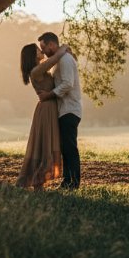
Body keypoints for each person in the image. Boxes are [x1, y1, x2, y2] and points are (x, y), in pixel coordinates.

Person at [15, 41, 72, 189]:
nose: (41, 51)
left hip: (49, 107)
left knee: (45, 142)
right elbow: (54, 59)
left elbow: (54, 61)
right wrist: (64, 47)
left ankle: (38, 182)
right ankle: (36, 181)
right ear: (33, 55)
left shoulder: (39, 69)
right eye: (38, 50)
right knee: (44, 143)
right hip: (46, 109)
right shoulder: (36, 71)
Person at [36, 31, 82, 189]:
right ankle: (68, 181)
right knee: (66, 148)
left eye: (44, 48)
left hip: (69, 109)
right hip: (64, 110)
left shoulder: (65, 60)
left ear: (51, 44)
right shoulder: (59, 60)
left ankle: (73, 183)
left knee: (70, 148)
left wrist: (49, 94)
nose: (43, 52)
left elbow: (68, 84)